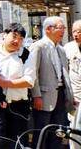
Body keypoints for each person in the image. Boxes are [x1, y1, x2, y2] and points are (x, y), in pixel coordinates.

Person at [31, 16, 75, 149]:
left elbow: (65, 75)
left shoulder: (61, 49)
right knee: (41, 133)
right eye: (60, 28)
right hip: (44, 97)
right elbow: (33, 74)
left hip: (61, 96)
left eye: (64, 28)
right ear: (48, 29)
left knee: (58, 132)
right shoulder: (38, 47)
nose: (63, 31)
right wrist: (36, 95)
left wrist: (70, 96)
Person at [0, 23, 35, 142]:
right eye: (14, 36)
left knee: (19, 141)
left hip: (18, 106)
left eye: (21, 38)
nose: (17, 41)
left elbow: (29, 81)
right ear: (4, 35)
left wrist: (4, 83)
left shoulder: (25, 55)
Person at [65, 20, 81, 149]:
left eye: (79, 31)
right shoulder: (68, 48)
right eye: (74, 31)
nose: (76, 34)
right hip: (75, 97)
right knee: (74, 130)